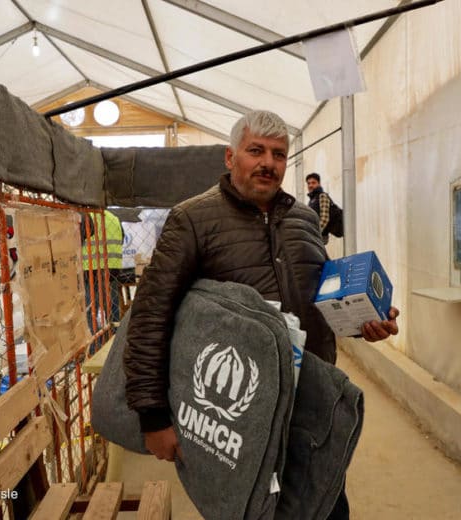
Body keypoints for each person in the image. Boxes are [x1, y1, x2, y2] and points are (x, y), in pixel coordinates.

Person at [124, 110, 399, 519]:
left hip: (309, 402)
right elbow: (151, 317)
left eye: (279, 154)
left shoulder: (304, 220)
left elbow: (320, 300)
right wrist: (153, 417)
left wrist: (363, 322)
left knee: (325, 505)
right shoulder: (192, 221)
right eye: (256, 151)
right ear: (230, 157)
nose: (268, 163)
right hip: (239, 416)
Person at [81, 210, 126, 348]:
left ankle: (96, 347)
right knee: (112, 309)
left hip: (91, 269)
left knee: (90, 310)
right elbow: (122, 239)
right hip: (111, 269)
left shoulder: (86, 216)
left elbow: (78, 239)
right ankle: (117, 344)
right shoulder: (114, 218)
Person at [306, 172, 332, 244]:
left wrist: (314, 234)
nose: (310, 185)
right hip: (314, 236)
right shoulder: (312, 200)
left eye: (313, 183)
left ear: (319, 184)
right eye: (308, 183)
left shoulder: (322, 196)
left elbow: (324, 219)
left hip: (320, 236)